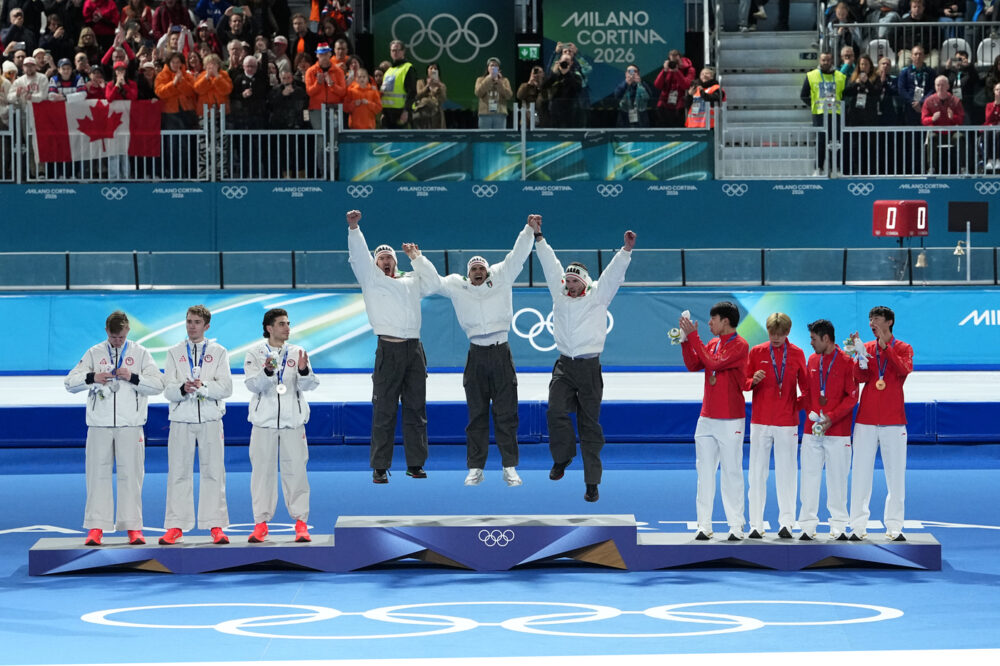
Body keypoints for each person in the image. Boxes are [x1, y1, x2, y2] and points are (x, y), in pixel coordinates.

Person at [410, 216, 538, 488]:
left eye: (481, 268)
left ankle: (509, 467)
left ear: (488, 270)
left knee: (507, 414)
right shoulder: (458, 286)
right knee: (476, 415)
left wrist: (529, 230)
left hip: (501, 352)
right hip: (476, 355)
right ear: (468, 274)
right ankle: (475, 468)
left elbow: (517, 256)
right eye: (473, 269)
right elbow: (433, 283)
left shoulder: (502, 277)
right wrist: (418, 259)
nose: (478, 272)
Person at [537, 224, 636, 503]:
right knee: (555, 410)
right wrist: (539, 238)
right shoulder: (559, 294)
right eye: (567, 281)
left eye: (573, 282)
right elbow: (550, 264)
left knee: (590, 425)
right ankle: (563, 458)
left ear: (584, 283)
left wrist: (626, 250)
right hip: (564, 366)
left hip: (590, 367)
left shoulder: (598, 296)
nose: (568, 285)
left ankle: (592, 482)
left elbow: (612, 276)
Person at [346, 209, 434, 483]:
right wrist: (354, 229)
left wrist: (417, 259)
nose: (386, 261)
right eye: (381, 258)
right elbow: (359, 256)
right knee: (384, 409)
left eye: (389, 258)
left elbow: (433, 283)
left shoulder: (411, 281)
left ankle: (415, 464)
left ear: (395, 262)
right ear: (376, 263)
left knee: (416, 408)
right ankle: (380, 466)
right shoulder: (371, 280)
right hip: (388, 348)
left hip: (414, 351)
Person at [64, 310, 164, 546]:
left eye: (121, 337)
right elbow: (69, 382)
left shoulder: (140, 353)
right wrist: (91, 377)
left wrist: (134, 377)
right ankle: (96, 528)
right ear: (107, 331)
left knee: (132, 476)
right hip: (99, 424)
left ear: (127, 331)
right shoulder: (94, 352)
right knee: (97, 475)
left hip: (130, 424)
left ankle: (133, 528)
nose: (117, 341)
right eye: (113, 337)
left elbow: (159, 385)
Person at [244, 308, 319, 544]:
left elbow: (310, 385)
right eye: (281, 324)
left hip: (292, 423)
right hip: (263, 423)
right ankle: (260, 524)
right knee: (262, 474)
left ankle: (301, 523)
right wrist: (267, 371)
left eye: (288, 323)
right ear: (269, 328)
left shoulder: (297, 352)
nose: (287, 327)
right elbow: (252, 385)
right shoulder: (254, 353)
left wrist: (304, 370)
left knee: (296, 472)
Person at [160, 305, 233, 546]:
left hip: (211, 419)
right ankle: (175, 527)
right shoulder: (173, 352)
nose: (192, 326)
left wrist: (203, 387)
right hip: (181, 419)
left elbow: (226, 388)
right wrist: (183, 388)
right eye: (189, 321)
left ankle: (216, 526)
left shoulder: (219, 352)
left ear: (206, 326)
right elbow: (167, 389)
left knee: (213, 473)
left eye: (197, 322)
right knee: (178, 473)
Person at [679, 301, 749, 540]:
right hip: (706, 418)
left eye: (713, 319)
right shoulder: (712, 342)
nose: (709, 323)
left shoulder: (740, 345)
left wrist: (694, 336)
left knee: (731, 472)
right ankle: (703, 525)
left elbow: (714, 363)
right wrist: (685, 341)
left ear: (725, 321)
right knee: (704, 473)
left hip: (730, 419)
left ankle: (736, 526)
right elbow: (693, 365)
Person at [849, 306, 914, 542]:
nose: (871, 323)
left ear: (889, 322)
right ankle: (857, 525)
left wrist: (886, 348)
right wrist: (859, 358)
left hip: (894, 421)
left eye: (875, 319)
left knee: (895, 476)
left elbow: (904, 369)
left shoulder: (904, 348)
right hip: (865, 420)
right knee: (860, 475)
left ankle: (895, 526)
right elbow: (860, 378)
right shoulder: (866, 347)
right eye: (869, 319)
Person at [743, 312, 807, 540]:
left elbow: (807, 390)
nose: (776, 338)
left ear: (788, 332)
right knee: (756, 474)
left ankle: (787, 523)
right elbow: (744, 383)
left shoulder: (798, 354)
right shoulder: (757, 352)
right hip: (760, 421)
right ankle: (755, 524)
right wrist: (753, 381)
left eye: (780, 334)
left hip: (787, 423)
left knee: (787, 473)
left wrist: (793, 406)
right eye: (772, 333)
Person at [797, 319, 857, 541]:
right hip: (811, 430)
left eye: (813, 339)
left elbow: (852, 397)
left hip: (838, 432)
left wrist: (831, 418)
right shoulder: (811, 360)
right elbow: (807, 393)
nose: (811, 343)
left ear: (826, 338)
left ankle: (839, 525)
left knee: (837, 480)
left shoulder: (847, 361)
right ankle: (807, 525)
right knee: (809, 479)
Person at [800, 51, 845, 175]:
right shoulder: (811, 75)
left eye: (828, 60)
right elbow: (803, 95)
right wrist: (814, 104)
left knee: (835, 142)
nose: (826, 62)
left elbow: (844, 95)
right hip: (819, 114)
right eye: (823, 60)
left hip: (835, 113)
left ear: (832, 62)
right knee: (820, 141)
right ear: (820, 61)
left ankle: (836, 168)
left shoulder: (840, 76)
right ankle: (818, 168)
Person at [842, 54, 882, 175]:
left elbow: (877, 94)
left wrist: (868, 83)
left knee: (870, 145)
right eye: (862, 64)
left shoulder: (876, 78)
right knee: (856, 146)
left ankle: (871, 171)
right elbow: (846, 92)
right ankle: (856, 171)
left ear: (870, 66)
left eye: (866, 64)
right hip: (855, 117)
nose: (864, 66)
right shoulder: (854, 78)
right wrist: (857, 83)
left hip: (870, 117)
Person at [922, 74, 965, 173]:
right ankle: (931, 168)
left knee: (960, 137)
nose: (940, 87)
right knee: (931, 137)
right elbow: (924, 120)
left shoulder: (955, 100)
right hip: (936, 131)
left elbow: (961, 119)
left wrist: (953, 117)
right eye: (938, 85)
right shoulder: (929, 101)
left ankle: (963, 167)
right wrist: (932, 119)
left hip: (951, 132)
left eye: (942, 85)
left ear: (948, 86)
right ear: (935, 86)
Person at [304, 41, 344, 129]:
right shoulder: (310, 71)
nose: (324, 57)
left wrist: (332, 84)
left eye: (326, 54)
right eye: (321, 54)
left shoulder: (338, 71)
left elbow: (342, 92)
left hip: (334, 108)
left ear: (330, 54)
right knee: (320, 137)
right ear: (317, 55)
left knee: (334, 136)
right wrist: (318, 83)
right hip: (317, 109)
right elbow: (309, 92)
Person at [380, 39, 415, 129]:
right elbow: (385, 93)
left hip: (401, 113)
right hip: (388, 114)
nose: (395, 53)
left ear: (403, 51)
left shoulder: (408, 68)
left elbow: (412, 92)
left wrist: (406, 111)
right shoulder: (389, 71)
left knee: (402, 142)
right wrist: (383, 112)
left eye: (398, 50)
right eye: (393, 50)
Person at [653, 49, 694, 127]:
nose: (674, 63)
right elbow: (657, 85)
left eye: (676, 60)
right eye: (672, 60)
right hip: (664, 104)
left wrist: (677, 71)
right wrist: (664, 71)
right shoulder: (667, 69)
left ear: (681, 59)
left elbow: (686, 85)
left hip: (680, 106)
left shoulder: (689, 69)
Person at [542, 51, 582, 128]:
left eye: (567, 61)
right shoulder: (554, 75)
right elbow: (544, 86)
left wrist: (567, 74)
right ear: (559, 62)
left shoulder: (576, 75)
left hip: (570, 110)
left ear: (571, 63)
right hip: (555, 110)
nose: (565, 63)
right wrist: (553, 73)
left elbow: (578, 89)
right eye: (563, 61)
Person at [474, 56, 512, 129]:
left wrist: (499, 82)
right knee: (485, 137)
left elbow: (508, 96)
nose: (493, 67)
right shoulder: (480, 79)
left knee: (499, 138)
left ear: (499, 69)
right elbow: (478, 93)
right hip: (485, 114)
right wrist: (488, 79)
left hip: (500, 114)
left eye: (496, 66)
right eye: (491, 65)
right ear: (488, 68)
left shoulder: (504, 80)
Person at [614, 63, 653, 127]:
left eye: (635, 71)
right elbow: (616, 95)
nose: (632, 74)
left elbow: (650, 96)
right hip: (625, 118)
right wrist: (626, 83)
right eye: (630, 71)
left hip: (641, 118)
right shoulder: (622, 85)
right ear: (626, 74)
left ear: (638, 74)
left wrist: (640, 84)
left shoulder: (643, 84)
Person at [412, 62, 446, 129]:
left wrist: (438, 88)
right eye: (431, 68)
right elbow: (418, 96)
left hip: (436, 114)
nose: (433, 70)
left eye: (435, 69)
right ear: (427, 70)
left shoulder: (441, 85)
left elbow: (443, 99)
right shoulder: (420, 82)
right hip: (423, 112)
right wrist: (428, 86)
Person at [984, 82, 1000, 171]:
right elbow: (988, 118)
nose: (999, 92)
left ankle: (998, 159)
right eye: (997, 90)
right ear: (994, 92)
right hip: (991, 128)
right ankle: (989, 160)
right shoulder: (989, 105)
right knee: (988, 133)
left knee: (998, 134)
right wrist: (995, 105)